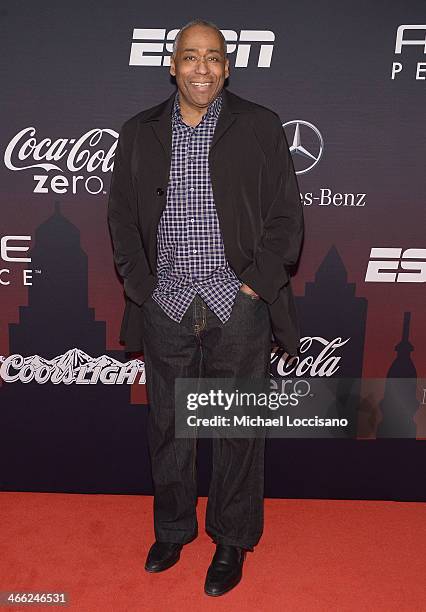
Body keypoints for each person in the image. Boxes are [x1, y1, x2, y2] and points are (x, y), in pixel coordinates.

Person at [108, 18, 304, 596]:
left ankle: (232, 540)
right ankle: (172, 530)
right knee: (168, 426)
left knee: (236, 428)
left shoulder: (260, 126)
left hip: (236, 303)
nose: (201, 68)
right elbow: (120, 218)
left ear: (226, 66)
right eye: (190, 57)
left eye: (212, 57)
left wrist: (253, 288)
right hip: (165, 302)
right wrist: (144, 289)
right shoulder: (140, 131)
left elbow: (286, 217)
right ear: (171, 66)